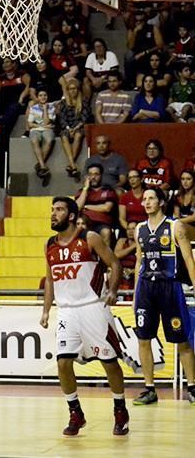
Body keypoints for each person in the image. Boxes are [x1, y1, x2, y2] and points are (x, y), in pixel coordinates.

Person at [40, 196, 128, 437]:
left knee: (109, 362)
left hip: (92, 307)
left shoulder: (89, 238)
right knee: (62, 363)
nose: (53, 214)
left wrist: (112, 290)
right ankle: (75, 412)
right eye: (52, 210)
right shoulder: (49, 244)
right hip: (67, 310)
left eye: (59, 210)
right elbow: (50, 279)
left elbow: (114, 264)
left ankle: (120, 409)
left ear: (70, 215)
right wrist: (47, 309)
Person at [132, 187, 195, 406]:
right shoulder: (139, 229)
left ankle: (192, 387)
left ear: (160, 202)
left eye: (151, 198)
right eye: (144, 199)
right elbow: (139, 261)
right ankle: (149, 389)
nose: (146, 202)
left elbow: (188, 258)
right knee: (143, 339)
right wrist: (134, 293)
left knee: (182, 340)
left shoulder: (175, 226)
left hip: (170, 287)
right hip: (146, 289)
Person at [76, 164, 118, 247]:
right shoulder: (82, 192)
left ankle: (104, 259)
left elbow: (107, 208)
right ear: (87, 176)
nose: (93, 177)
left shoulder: (108, 190)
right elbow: (77, 207)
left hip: (101, 224)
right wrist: (85, 188)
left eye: (96, 174)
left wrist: (86, 206)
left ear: (101, 175)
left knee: (106, 232)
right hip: (85, 224)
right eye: (90, 174)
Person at [57, 78, 91, 180]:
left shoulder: (83, 102)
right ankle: (72, 165)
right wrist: (68, 128)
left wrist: (75, 128)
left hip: (79, 127)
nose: (73, 91)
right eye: (70, 89)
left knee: (78, 135)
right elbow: (62, 119)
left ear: (78, 89)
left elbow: (84, 118)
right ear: (67, 90)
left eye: (75, 89)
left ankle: (71, 165)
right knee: (64, 136)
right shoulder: (63, 103)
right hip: (67, 127)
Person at [26, 89, 56, 186]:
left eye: (45, 95)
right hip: (36, 129)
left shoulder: (51, 107)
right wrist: (43, 126)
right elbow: (30, 124)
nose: (43, 97)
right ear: (38, 97)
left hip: (47, 129)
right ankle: (42, 165)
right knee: (34, 140)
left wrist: (45, 109)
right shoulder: (33, 108)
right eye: (40, 95)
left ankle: (40, 166)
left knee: (49, 139)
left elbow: (47, 122)